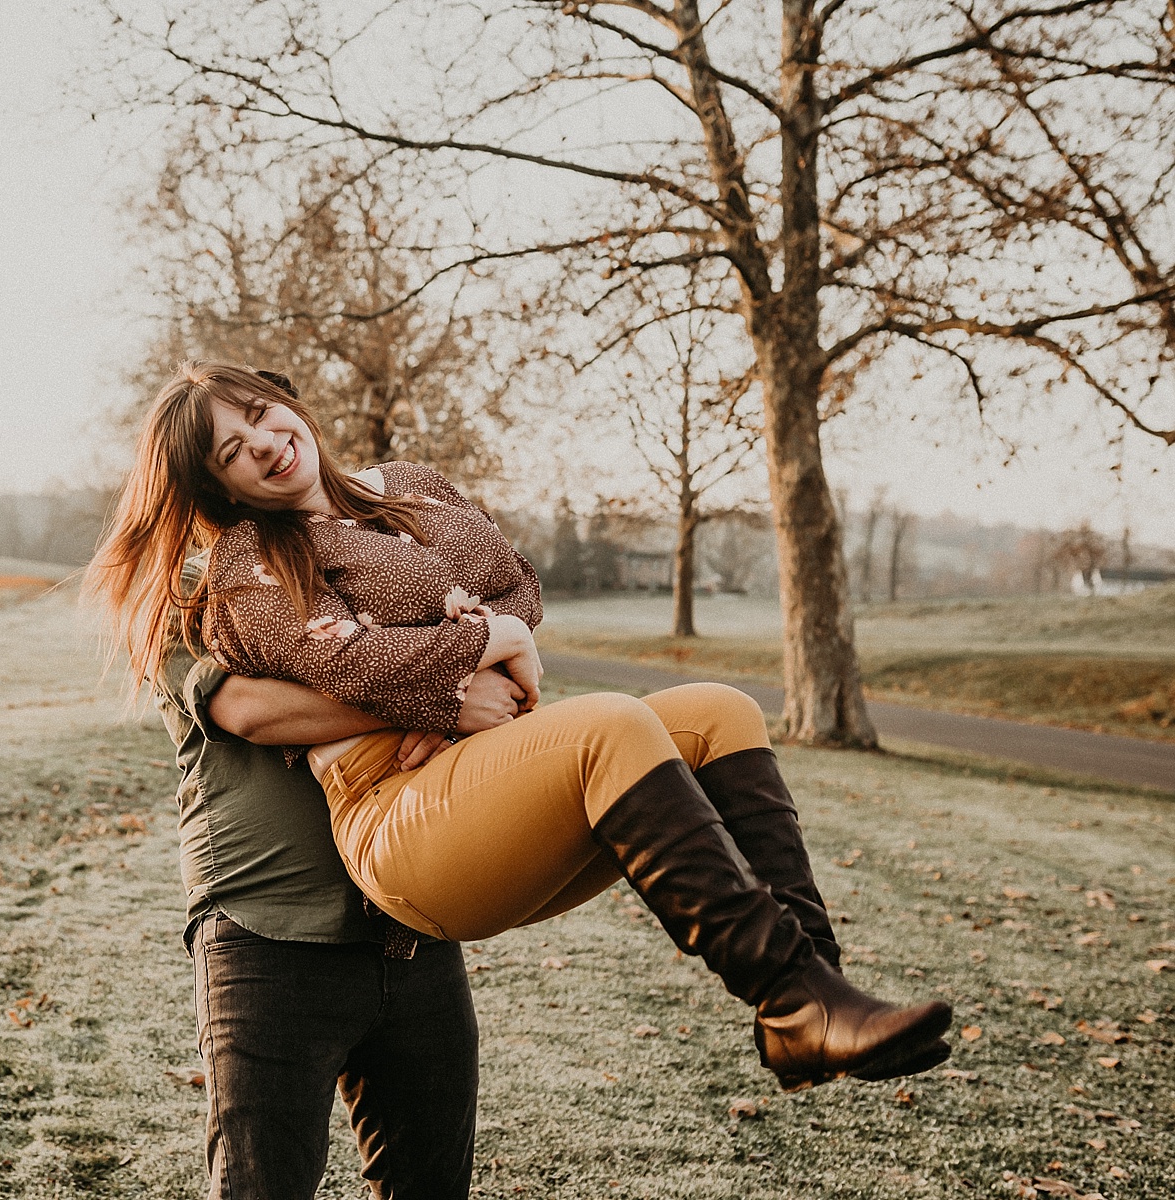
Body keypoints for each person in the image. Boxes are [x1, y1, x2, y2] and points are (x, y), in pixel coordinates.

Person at [89, 361, 951, 1099]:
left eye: (258, 414)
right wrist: (474, 656)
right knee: (608, 724)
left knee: (720, 710)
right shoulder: (251, 562)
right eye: (231, 452)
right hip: (392, 814)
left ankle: (812, 999)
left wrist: (482, 636)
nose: (263, 444)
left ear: (288, 403)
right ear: (223, 489)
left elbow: (517, 587)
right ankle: (790, 994)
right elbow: (356, 667)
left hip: (480, 769)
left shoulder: (412, 485)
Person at [154, 620, 527, 1199]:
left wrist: (452, 702)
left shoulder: (378, 575)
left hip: (413, 926)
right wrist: (440, 696)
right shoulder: (189, 589)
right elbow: (252, 711)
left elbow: (497, 688)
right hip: (269, 937)